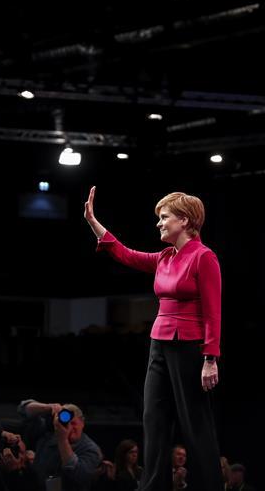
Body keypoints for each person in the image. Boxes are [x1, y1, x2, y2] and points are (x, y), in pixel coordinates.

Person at [85, 187, 222, 491]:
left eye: (164, 217)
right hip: (159, 343)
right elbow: (125, 253)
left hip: (189, 345)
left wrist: (210, 358)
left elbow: (213, 312)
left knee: (194, 422)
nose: (158, 223)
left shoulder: (204, 257)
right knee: (154, 418)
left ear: (185, 220)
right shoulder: (164, 257)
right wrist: (94, 223)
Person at [16, 400, 102, 490]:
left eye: (73, 423)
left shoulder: (91, 450)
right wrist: (48, 407)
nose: (70, 427)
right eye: (66, 423)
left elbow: (78, 476)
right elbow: (23, 410)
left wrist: (62, 439)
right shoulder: (49, 435)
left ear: (82, 423)